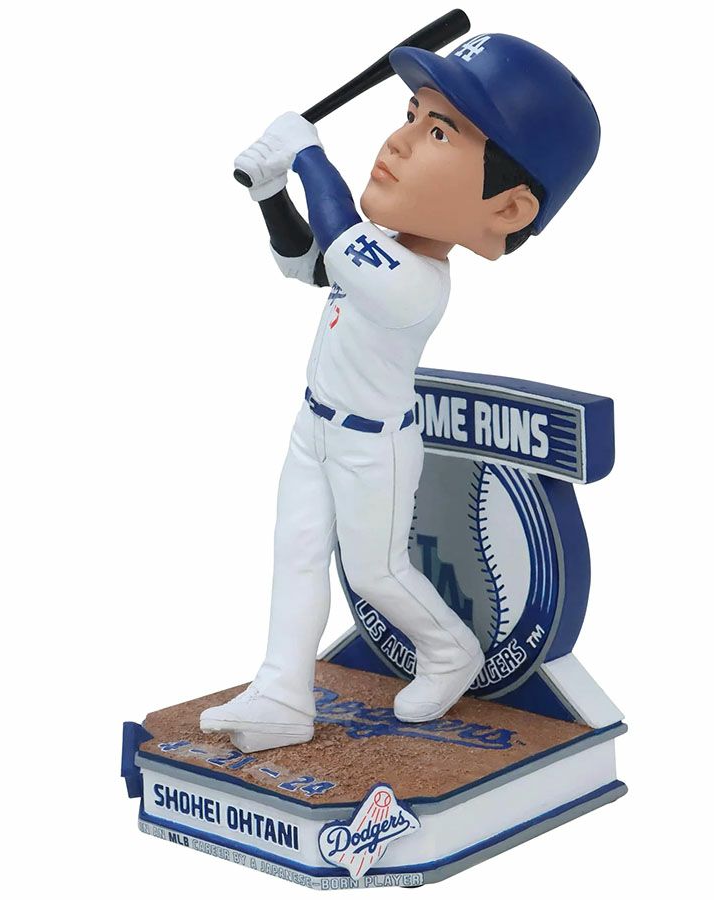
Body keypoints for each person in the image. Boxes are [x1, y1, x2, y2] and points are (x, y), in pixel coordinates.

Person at [200, 33, 601, 752]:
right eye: (412, 114)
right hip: (314, 428)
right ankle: (282, 695)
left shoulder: (416, 285)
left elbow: (339, 233)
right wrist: (270, 193)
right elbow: (306, 260)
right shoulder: (380, 253)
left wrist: (308, 155)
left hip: (372, 446)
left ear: (508, 210)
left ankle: (449, 651)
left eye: (440, 132)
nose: (400, 141)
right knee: (295, 553)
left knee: (376, 573)